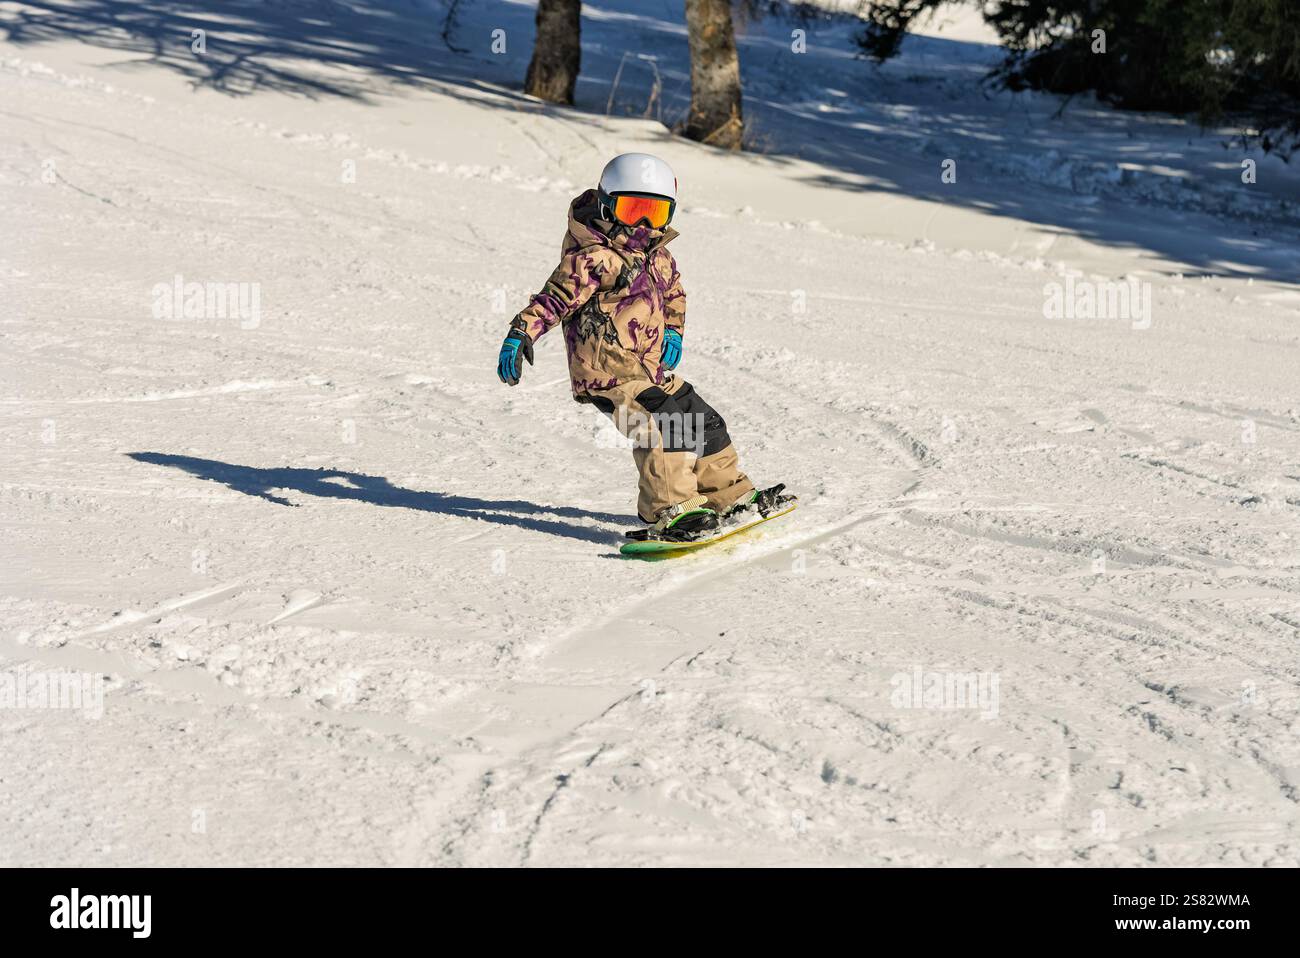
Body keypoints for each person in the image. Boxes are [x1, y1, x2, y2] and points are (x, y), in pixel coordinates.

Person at [496, 152, 792, 541]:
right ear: (606, 205)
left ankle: (728, 495)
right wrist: (522, 332)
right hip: (608, 376)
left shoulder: (659, 256)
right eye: (633, 209)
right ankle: (670, 509)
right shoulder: (594, 258)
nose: (644, 224)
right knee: (661, 425)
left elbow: (674, 296)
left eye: (655, 213)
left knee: (701, 419)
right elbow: (554, 299)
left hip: (649, 372)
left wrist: (673, 330)